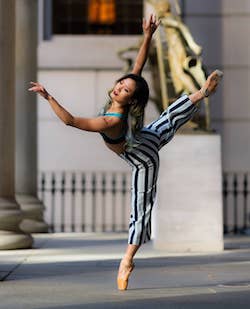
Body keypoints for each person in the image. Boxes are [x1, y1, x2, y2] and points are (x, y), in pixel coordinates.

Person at [29, 14, 223, 291]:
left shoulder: (112, 120)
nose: (119, 87)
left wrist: (49, 97)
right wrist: (147, 36)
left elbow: (71, 121)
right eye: (121, 84)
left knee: (140, 207)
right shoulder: (120, 102)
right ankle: (201, 93)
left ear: (130, 99)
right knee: (166, 122)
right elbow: (138, 66)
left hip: (142, 158)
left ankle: (127, 260)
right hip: (143, 138)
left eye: (125, 89)